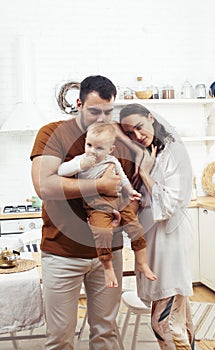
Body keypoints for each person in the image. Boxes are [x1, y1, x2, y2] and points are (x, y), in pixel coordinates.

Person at [30, 75, 137, 350]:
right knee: (60, 339)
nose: (102, 118)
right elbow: (44, 184)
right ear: (78, 103)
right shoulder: (52, 134)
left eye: (108, 111)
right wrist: (99, 184)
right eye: (94, 111)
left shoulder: (116, 140)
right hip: (61, 253)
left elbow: (129, 191)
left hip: (108, 253)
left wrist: (122, 210)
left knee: (106, 333)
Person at [118, 103, 195, 350]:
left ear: (151, 118)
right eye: (129, 133)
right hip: (154, 244)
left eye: (139, 128)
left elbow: (171, 204)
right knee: (179, 317)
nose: (137, 136)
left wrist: (146, 173)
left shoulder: (172, 154)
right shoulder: (149, 152)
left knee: (164, 323)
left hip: (169, 244)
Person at [57, 121, 157, 288]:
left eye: (99, 148)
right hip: (96, 206)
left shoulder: (113, 161)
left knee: (136, 228)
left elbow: (123, 177)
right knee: (103, 233)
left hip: (118, 201)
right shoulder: (81, 160)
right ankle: (107, 266)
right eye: (89, 145)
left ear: (110, 149)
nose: (92, 151)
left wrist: (130, 191)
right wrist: (80, 165)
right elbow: (61, 171)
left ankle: (141, 262)